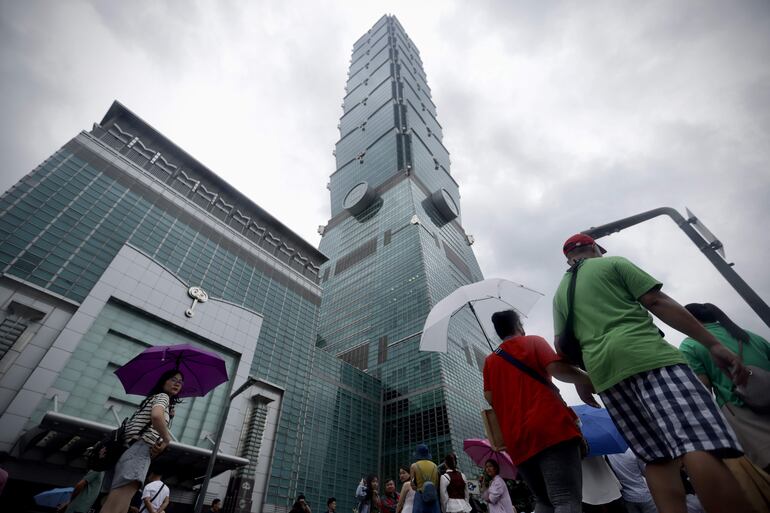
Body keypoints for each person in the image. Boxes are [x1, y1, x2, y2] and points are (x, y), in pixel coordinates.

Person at [552, 233, 753, 513]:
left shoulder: (561, 293)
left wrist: (585, 381)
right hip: (648, 357)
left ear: (568, 258)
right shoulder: (612, 264)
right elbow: (656, 301)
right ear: (595, 248)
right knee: (697, 441)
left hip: (606, 376)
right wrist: (712, 344)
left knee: (656, 459)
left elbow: (561, 345)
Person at [484, 309, 592, 512]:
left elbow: (490, 397)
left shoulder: (490, 361)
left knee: (544, 502)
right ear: (518, 326)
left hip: (517, 439)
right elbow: (557, 370)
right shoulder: (533, 342)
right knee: (565, 499)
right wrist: (590, 383)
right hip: (550, 429)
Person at [680, 302, 770, 472]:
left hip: (742, 412)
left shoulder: (690, 345)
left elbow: (703, 390)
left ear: (688, 319)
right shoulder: (749, 336)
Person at [100, 369, 182, 513]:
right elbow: (156, 416)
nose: (177, 383)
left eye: (181, 382)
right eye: (173, 379)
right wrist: (167, 439)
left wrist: (169, 416)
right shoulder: (163, 397)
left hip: (127, 450)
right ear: (164, 381)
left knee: (114, 503)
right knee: (119, 504)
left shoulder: (151, 400)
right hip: (139, 450)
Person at [606, 449, 657, 513]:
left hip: (627, 498)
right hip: (644, 494)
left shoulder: (608, 456)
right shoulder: (631, 452)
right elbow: (645, 472)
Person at [410, 444, 439, 513]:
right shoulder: (435, 466)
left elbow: (412, 484)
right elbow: (437, 484)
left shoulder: (414, 466)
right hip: (433, 497)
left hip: (420, 496)